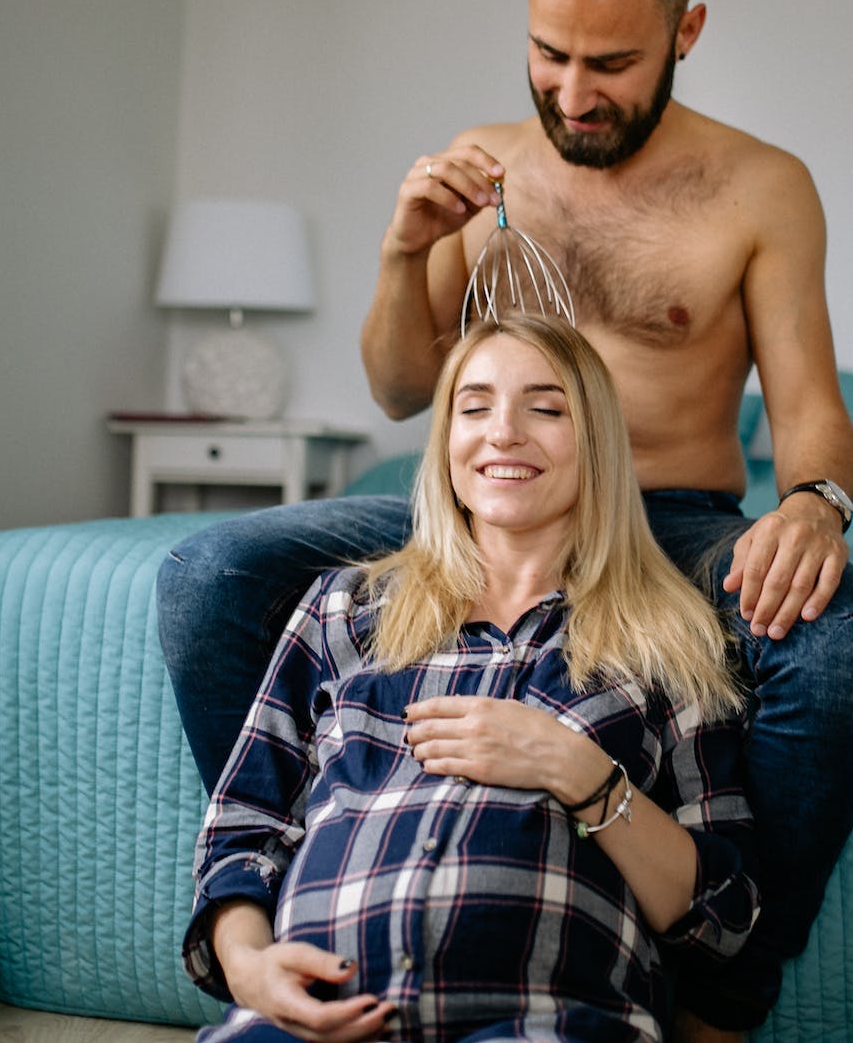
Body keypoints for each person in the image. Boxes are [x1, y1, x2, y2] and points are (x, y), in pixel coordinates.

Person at [160, 0, 853, 1038]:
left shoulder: (759, 187)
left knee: (841, 637)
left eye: (610, 63)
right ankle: (315, 895)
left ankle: (718, 998)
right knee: (206, 575)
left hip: (667, 515)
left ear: (685, 32)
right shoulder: (482, 166)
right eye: (548, 54)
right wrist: (402, 253)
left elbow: (810, 408)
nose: (572, 91)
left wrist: (812, 502)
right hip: (476, 505)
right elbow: (402, 387)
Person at [186, 316, 757, 1043]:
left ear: (597, 444)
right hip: (308, 1022)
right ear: (447, 440)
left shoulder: (669, 639)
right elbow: (244, 830)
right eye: (475, 406)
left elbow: (722, 908)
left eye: (546, 408)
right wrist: (247, 966)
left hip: (545, 1024)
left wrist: (577, 771)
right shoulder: (345, 607)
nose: (504, 433)